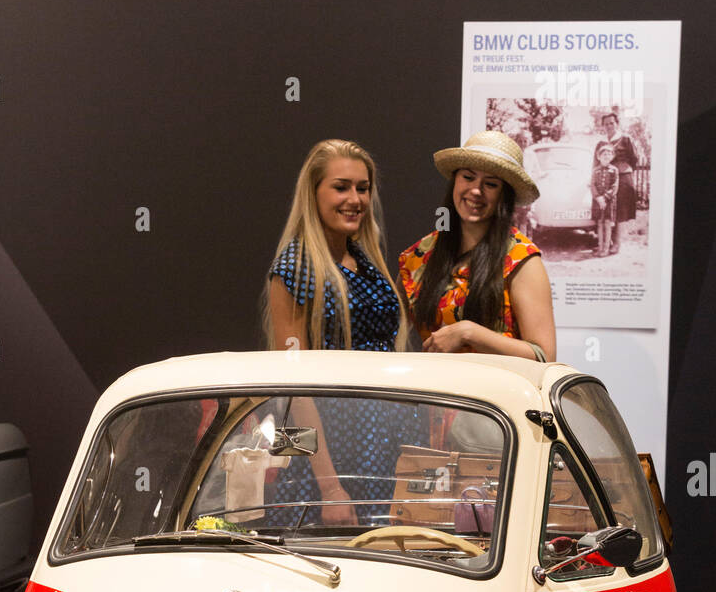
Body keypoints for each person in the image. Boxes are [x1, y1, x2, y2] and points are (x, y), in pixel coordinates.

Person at [263, 139, 415, 525]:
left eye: (363, 188)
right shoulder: (294, 268)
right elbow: (293, 389)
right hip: (330, 462)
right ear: (313, 194)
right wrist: (329, 487)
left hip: (385, 446)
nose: (355, 199)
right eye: (341, 186)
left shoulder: (365, 258)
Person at [398, 130, 556, 362]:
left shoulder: (521, 258)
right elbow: (387, 329)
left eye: (490, 184)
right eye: (468, 177)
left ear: (504, 196)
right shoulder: (421, 255)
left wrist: (469, 333)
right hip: (437, 395)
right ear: (455, 181)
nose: (475, 191)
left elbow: (544, 357)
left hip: (498, 396)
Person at [596, 111, 637, 253]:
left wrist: (623, 170)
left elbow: (634, 159)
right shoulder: (601, 142)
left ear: (617, 124)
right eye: (606, 124)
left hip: (623, 177)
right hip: (605, 179)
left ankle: (617, 244)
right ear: (603, 126)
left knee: (620, 210)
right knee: (607, 210)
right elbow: (596, 162)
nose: (609, 126)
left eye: (611, 123)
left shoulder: (626, 139)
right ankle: (607, 242)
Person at [591, 141, 620, 257]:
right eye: (604, 154)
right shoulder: (595, 171)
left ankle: (606, 249)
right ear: (599, 157)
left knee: (608, 223)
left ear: (612, 157)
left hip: (609, 202)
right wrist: (598, 198)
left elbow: (615, 186)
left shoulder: (614, 170)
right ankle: (600, 246)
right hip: (598, 202)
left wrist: (605, 197)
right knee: (599, 223)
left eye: (609, 154)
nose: (606, 156)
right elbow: (592, 185)